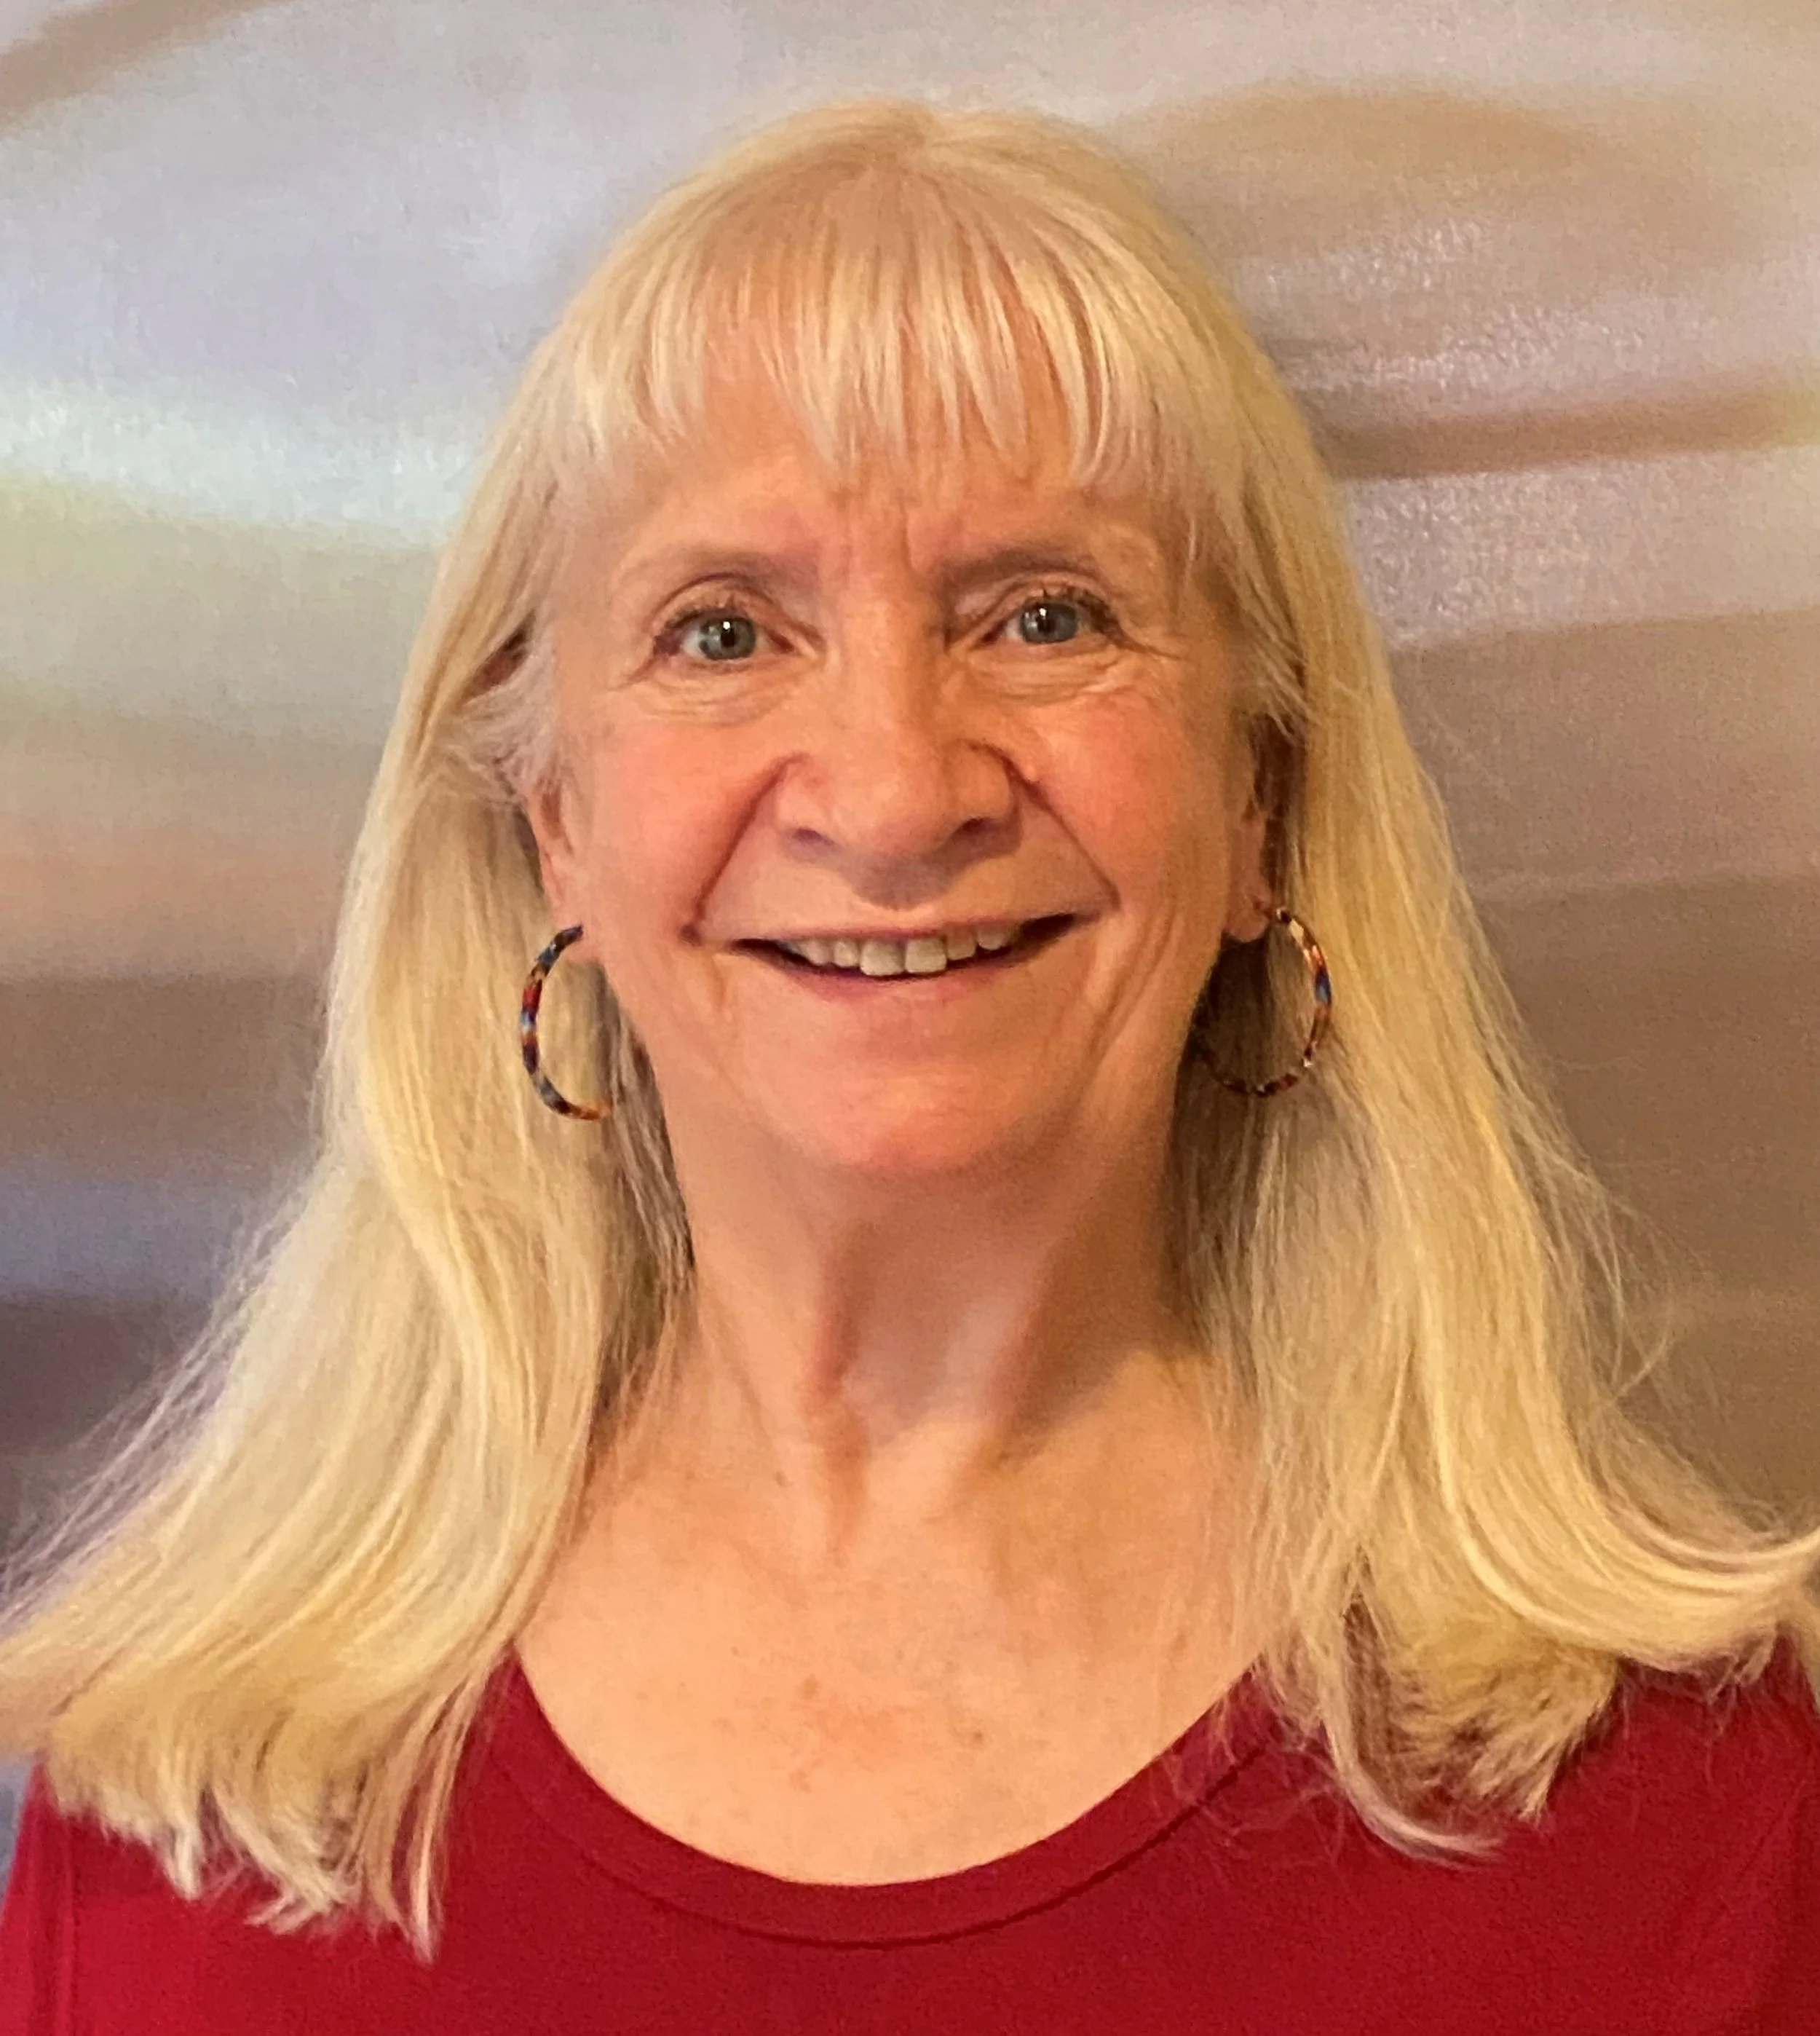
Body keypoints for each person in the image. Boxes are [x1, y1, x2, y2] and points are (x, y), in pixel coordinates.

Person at [1, 95, 1816, 2035]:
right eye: (721, 630)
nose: (888, 792)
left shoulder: (1688, 1805)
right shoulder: (203, 1805)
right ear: (553, 821)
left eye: (1045, 613)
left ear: (1258, 803)